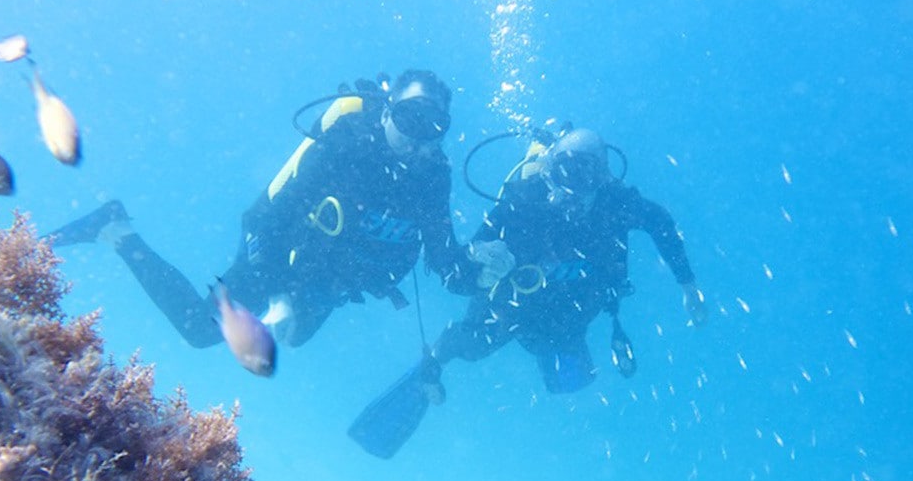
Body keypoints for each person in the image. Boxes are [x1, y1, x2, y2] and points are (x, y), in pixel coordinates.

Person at [48, 70, 502, 348]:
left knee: (296, 339)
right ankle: (118, 231)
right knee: (203, 332)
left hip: (332, 280)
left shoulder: (433, 178)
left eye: (434, 126)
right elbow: (263, 218)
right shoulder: (344, 147)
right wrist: (279, 290)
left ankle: (288, 305)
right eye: (409, 119)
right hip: (278, 255)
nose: (418, 137)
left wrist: (482, 269)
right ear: (386, 113)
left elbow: (445, 264)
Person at [348, 127, 708, 458]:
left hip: (573, 311)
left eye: (586, 177)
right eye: (565, 174)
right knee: (472, 346)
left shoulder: (617, 202)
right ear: (549, 170)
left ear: (602, 180)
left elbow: (662, 224)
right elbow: (462, 270)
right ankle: (434, 361)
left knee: (571, 382)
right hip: (511, 308)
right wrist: (481, 263)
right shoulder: (522, 200)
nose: (572, 191)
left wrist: (687, 283)